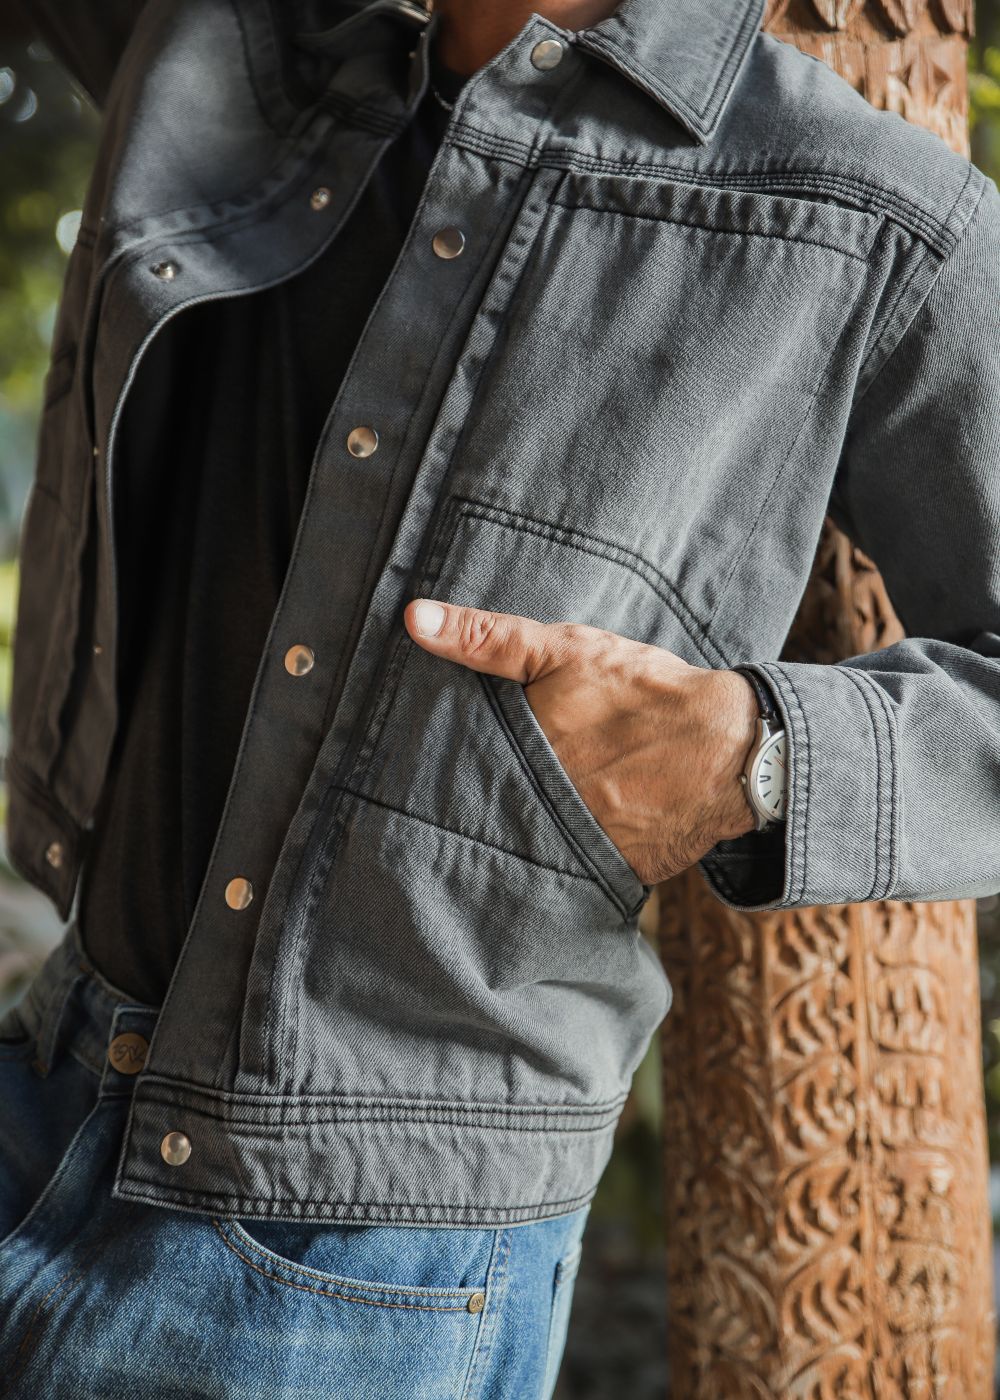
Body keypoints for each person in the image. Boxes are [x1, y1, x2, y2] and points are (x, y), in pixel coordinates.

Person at [1, 0, 998, 1393]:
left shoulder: (871, 214)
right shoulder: (249, 45)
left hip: (366, 1255)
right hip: (46, 1073)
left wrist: (748, 757)